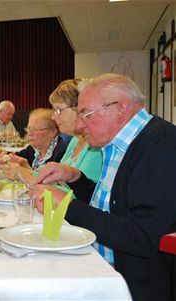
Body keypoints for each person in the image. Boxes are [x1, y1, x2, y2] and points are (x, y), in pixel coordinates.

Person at [35, 73, 176, 301]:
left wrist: (68, 206)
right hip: (100, 262)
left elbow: (142, 237)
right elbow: (115, 204)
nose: (80, 125)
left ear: (120, 108)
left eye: (86, 114)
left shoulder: (161, 146)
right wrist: (76, 178)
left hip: (126, 284)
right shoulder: (122, 142)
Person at [50, 79, 102, 182]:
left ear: (80, 109)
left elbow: (83, 194)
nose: (53, 117)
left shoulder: (97, 145)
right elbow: (57, 181)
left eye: (59, 110)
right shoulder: (76, 140)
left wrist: (28, 175)